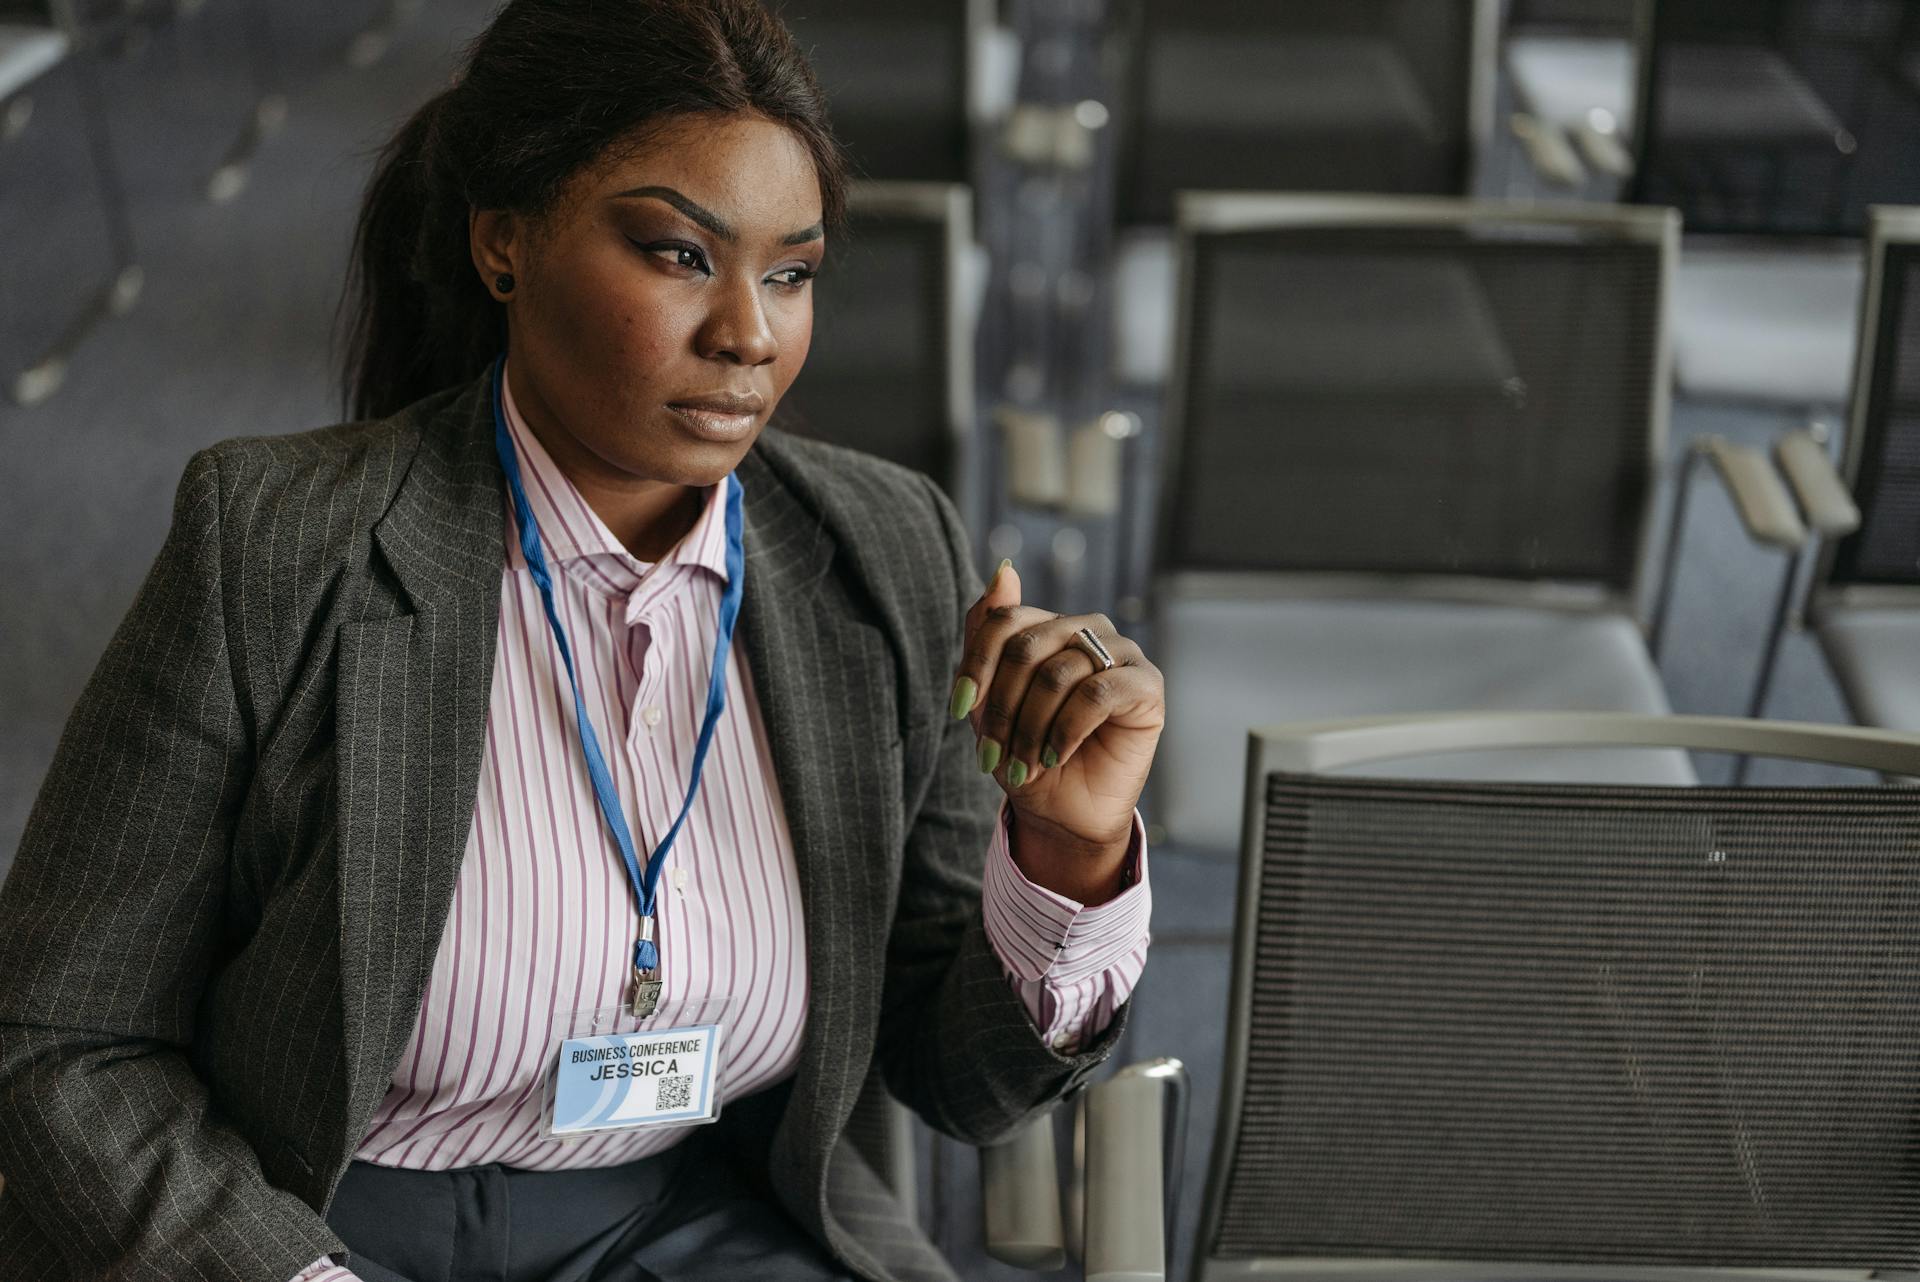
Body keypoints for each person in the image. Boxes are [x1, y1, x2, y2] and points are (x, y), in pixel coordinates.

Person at [0, 2, 1166, 1279]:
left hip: (684, 1214)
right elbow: (63, 1038)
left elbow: (962, 1082)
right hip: (307, 1227)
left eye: (792, 272)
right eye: (678, 256)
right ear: (505, 242)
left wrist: (1068, 852)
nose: (750, 333)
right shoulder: (277, 546)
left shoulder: (885, 550)